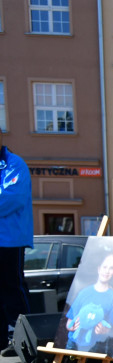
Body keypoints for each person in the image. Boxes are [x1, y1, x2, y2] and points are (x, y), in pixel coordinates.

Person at [0, 130, 33, 350]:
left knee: (12, 287)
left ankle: (21, 338)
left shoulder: (14, 164)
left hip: (10, 240)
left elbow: (10, 199)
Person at [64, 251, 113, 355]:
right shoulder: (84, 292)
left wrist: (104, 330)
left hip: (95, 345)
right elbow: (70, 320)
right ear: (99, 269)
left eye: (111, 268)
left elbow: (111, 326)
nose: (107, 271)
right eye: (104, 267)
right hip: (73, 344)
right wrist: (71, 327)